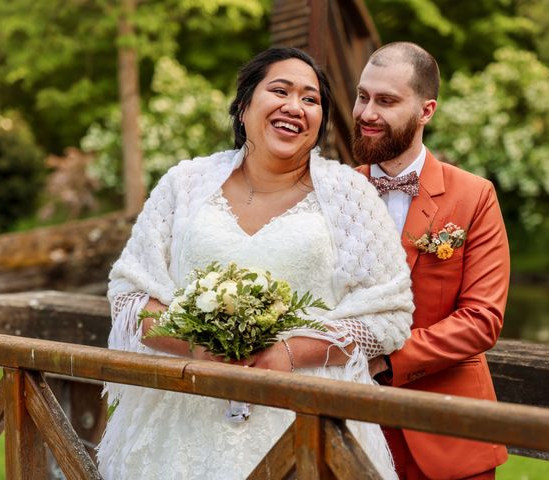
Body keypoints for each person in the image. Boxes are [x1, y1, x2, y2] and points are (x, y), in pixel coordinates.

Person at [97, 47, 414, 479]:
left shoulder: (350, 195)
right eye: (279, 90)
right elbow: (131, 294)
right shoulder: (184, 183)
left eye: (310, 99)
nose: (294, 107)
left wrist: (290, 352)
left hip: (307, 418)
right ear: (244, 106)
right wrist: (197, 346)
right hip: (183, 420)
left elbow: (388, 313)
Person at [353, 42, 511, 480]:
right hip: (351, 427)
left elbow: (482, 319)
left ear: (426, 111)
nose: (367, 112)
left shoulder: (474, 196)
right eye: (363, 96)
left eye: (386, 101)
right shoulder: (335, 192)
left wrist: (386, 361)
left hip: (449, 436)